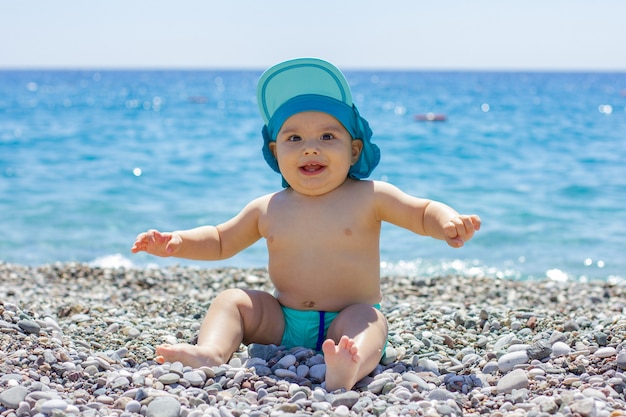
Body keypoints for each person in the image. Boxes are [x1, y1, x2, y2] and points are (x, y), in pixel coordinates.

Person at [131, 58, 481, 391]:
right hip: (283, 320)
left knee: (370, 322)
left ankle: (348, 365)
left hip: (347, 315)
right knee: (233, 300)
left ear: (355, 150)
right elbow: (221, 240)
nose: (310, 148)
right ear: (275, 151)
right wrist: (177, 241)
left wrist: (447, 222)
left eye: (328, 137)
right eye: (294, 138)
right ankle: (211, 351)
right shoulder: (267, 207)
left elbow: (420, 212)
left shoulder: (370, 196)